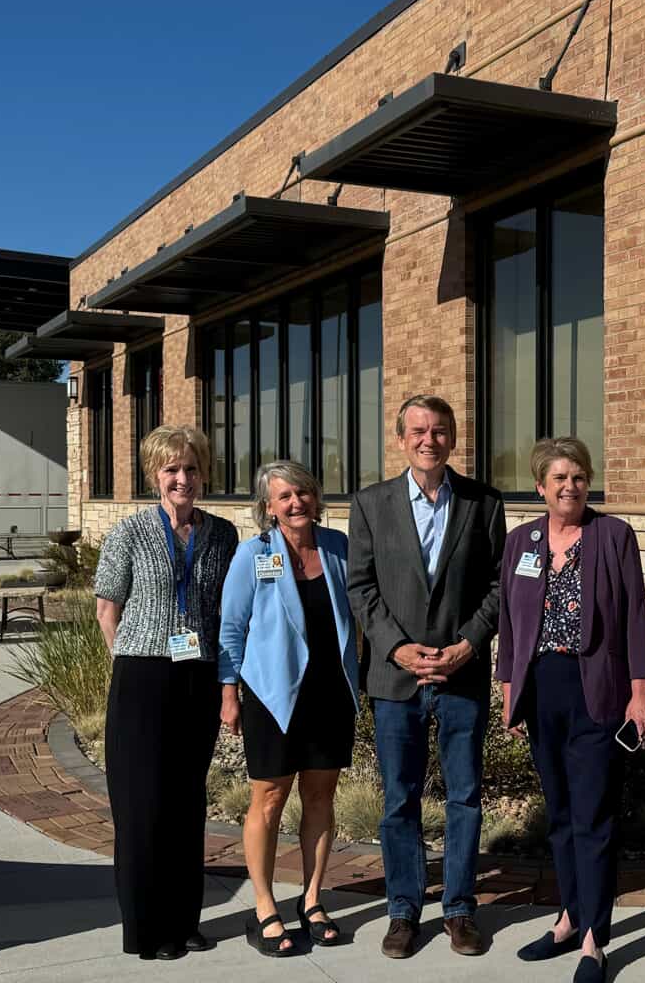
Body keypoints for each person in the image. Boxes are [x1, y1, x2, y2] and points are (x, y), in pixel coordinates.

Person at [347, 394, 506, 960]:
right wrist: (396, 648)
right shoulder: (370, 504)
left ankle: (460, 909)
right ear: (400, 438)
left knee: (464, 797)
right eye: (418, 431)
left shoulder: (483, 503)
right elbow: (361, 588)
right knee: (399, 800)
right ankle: (403, 910)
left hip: (461, 676)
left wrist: (468, 645)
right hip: (397, 680)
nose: (428, 440)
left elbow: (497, 585)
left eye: (439, 431)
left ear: (453, 438)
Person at [497, 437, 645, 983]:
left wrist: (640, 692)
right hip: (540, 690)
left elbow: (636, 616)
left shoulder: (612, 535)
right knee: (560, 815)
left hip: (598, 690)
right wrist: (507, 693)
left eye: (579, 476)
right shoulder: (522, 540)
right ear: (540, 487)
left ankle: (595, 939)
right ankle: (567, 918)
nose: (570, 486)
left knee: (592, 816)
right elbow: (510, 627)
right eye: (559, 478)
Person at [94, 424, 238, 960]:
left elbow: (226, 611)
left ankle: (185, 920)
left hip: (196, 677)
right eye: (172, 469)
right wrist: (133, 658)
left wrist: (227, 682)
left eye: (191, 468)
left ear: (203, 473)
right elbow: (108, 609)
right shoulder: (129, 532)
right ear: (155, 474)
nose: (183, 478)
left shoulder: (223, 534)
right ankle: (147, 929)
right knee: (141, 806)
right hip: (142, 679)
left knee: (185, 804)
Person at [218, 461, 359, 957]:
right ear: (268, 507)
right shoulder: (252, 554)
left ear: (315, 497)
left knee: (320, 798)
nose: (296, 502)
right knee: (270, 799)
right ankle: (264, 908)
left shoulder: (339, 548)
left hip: (330, 694)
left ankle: (314, 900)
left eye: (302, 492)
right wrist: (228, 691)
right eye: (284, 497)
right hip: (273, 697)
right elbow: (231, 628)